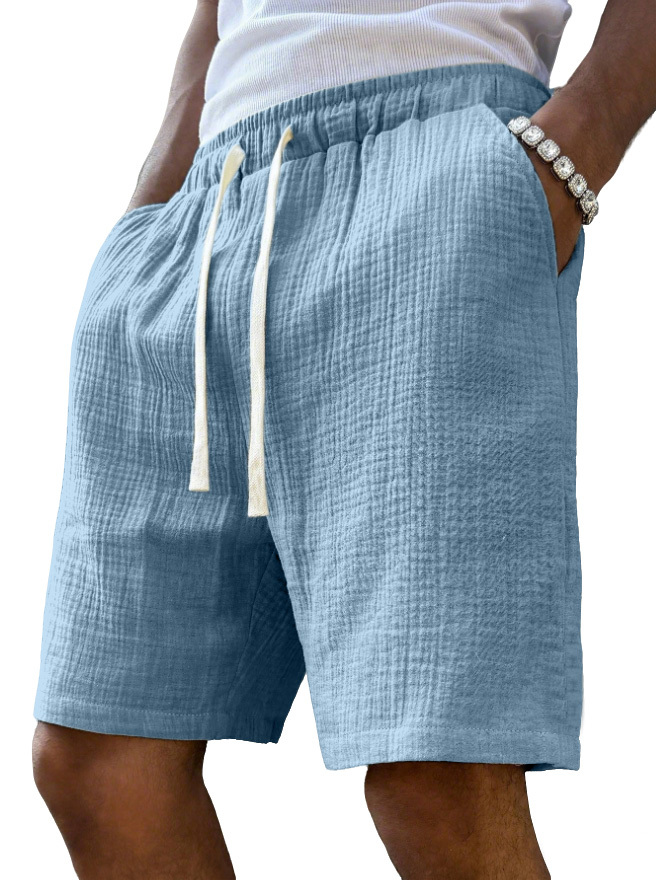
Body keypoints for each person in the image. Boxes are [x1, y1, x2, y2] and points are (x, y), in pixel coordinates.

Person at [32, 2, 654, 878]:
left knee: (435, 777)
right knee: (98, 760)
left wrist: (572, 153)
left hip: (433, 163)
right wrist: (151, 209)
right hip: (207, 211)